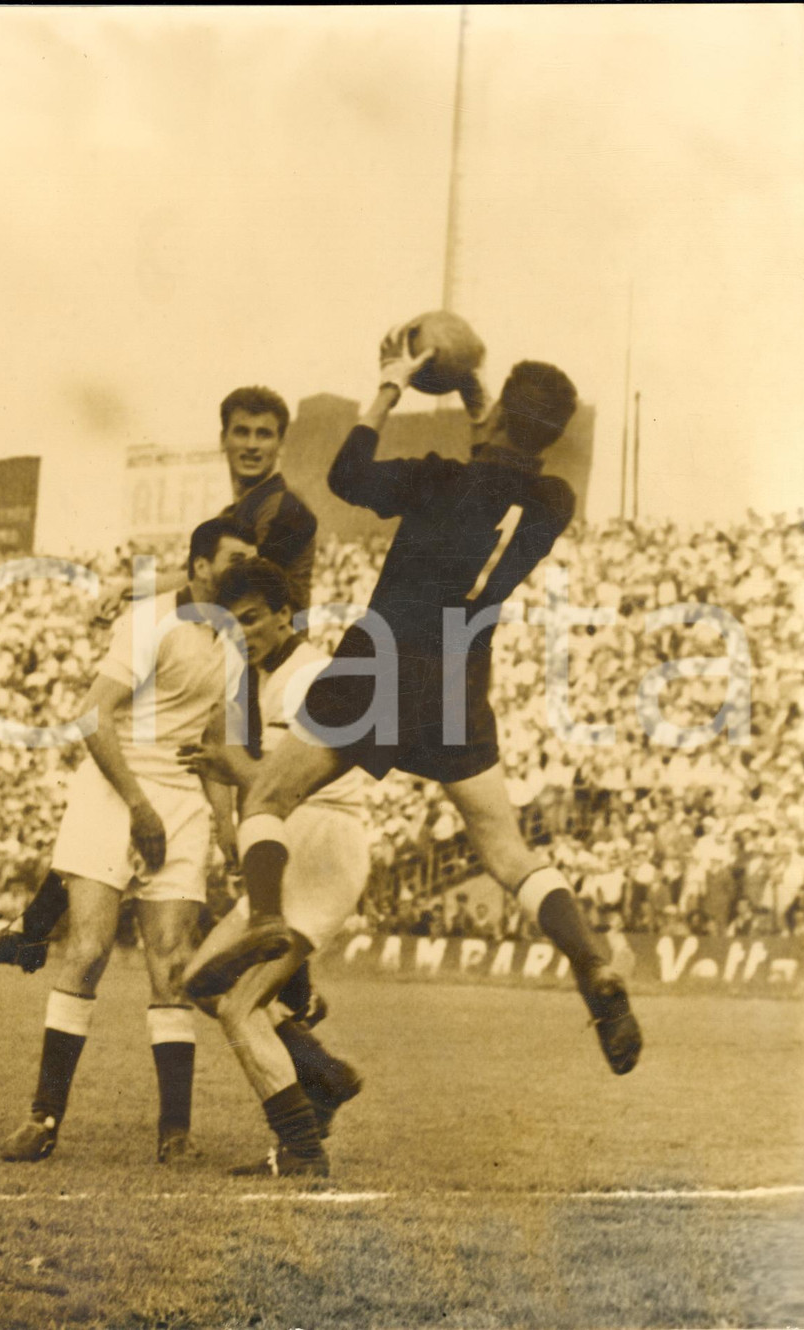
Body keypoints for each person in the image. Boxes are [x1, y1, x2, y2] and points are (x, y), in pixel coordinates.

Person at [186, 330, 643, 1077]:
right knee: (506, 849)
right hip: (462, 673)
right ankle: (593, 963)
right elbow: (502, 459)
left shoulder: (437, 477)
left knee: (268, 794)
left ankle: (266, 919)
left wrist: (392, 385)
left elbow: (346, 473)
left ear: (495, 423)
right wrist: (476, 397)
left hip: (385, 653)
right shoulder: (552, 498)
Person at [0, 385, 318, 974]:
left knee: (255, 805)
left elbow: (232, 583)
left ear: (281, 443)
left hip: (264, 660)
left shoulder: (279, 510)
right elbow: (208, 578)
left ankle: (294, 986)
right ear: (222, 438)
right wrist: (138, 589)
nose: (252, 445)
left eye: (265, 434)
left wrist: (138, 588)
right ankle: (30, 928)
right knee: (151, 803)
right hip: (239, 650)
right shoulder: (238, 510)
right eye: (242, 432)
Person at [0, 516, 256, 1164]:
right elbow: (92, 715)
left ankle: (176, 1135)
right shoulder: (148, 622)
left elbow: (217, 746)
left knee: (172, 963)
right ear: (198, 567)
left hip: (181, 800)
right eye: (232, 560)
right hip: (115, 791)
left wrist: (228, 831)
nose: (243, 570)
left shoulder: (235, 639)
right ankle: (43, 1119)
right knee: (87, 950)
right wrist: (140, 807)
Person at [178, 559, 367, 1178]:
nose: (243, 633)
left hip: (320, 839)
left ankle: (302, 1150)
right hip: (303, 839)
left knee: (237, 1007)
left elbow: (276, 782)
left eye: (254, 618)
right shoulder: (268, 677)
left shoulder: (308, 676)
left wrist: (225, 762)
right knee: (203, 982)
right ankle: (322, 1073)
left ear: (287, 614)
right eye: (231, 624)